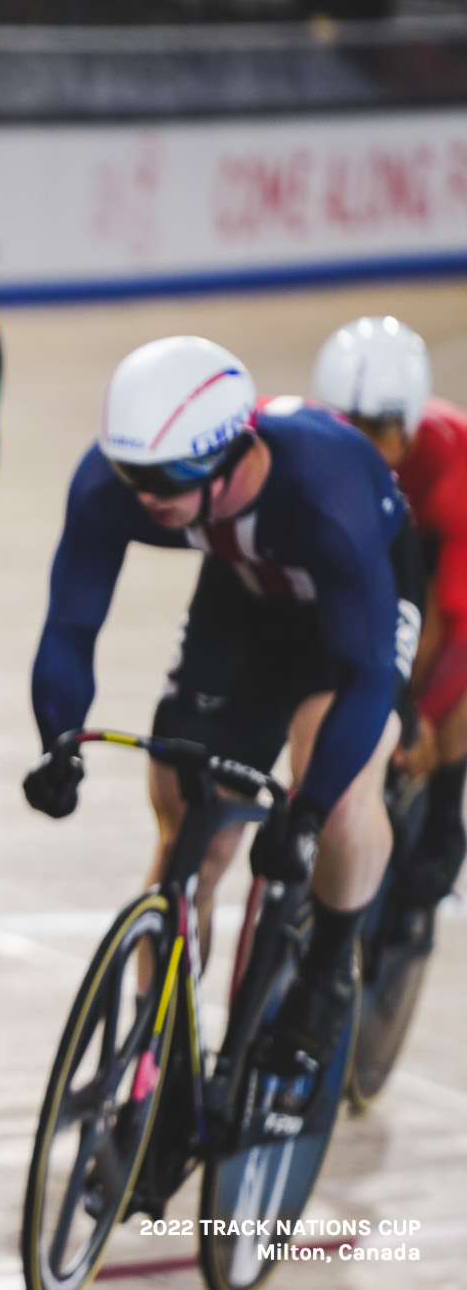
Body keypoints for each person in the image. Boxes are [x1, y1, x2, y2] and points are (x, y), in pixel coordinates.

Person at [25, 336, 422, 1119]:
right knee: (188, 825)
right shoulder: (125, 481)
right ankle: (154, 1043)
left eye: (170, 480)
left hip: (355, 614)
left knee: (338, 795)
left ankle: (330, 967)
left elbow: (368, 676)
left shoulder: (324, 494)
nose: (146, 497)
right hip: (244, 595)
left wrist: (304, 812)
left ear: (233, 453)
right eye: (133, 476)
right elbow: (70, 628)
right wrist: (58, 742)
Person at [317, 315, 467, 923]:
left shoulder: (454, 469)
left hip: (448, 543)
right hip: (388, 535)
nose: (357, 445)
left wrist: (427, 719)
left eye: (375, 433)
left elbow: (458, 623)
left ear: (406, 429)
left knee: (448, 679)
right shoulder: (314, 446)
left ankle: (443, 816)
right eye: (345, 428)